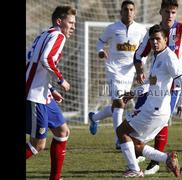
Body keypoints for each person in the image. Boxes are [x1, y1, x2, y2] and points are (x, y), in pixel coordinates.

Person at [133, 0, 182, 175]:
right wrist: (140, 69)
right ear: (161, 12)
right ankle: (140, 149)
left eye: (173, 12)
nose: (170, 15)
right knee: (139, 115)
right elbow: (138, 54)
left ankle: (155, 161)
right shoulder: (155, 33)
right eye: (167, 12)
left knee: (162, 121)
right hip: (154, 84)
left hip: (174, 88)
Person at [116, 24, 182, 178]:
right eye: (152, 39)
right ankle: (167, 158)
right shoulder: (158, 56)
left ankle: (135, 170)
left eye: (158, 39)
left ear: (165, 39)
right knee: (134, 144)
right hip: (154, 110)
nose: (154, 42)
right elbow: (152, 83)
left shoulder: (169, 57)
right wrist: (133, 93)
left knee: (121, 131)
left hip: (155, 111)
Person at [88, 0, 147, 150]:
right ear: (121, 12)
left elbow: (145, 50)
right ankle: (119, 139)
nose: (129, 12)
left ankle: (94, 117)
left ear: (135, 12)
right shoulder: (112, 28)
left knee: (118, 105)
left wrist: (140, 66)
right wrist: (100, 52)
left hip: (129, 72)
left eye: (131, 9)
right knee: (120, 104)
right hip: (114, 70)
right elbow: (100, 43)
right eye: (126, 9)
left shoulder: (141, 30)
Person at [26, 5, 76, 180]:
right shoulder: (58, 36)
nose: (73, 27)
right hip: (34, 96)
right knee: (38, 145)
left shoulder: (44, 34)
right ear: (59, 21)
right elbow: (46, 59)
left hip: (43, 93)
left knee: (63, 132)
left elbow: (33, 65)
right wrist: (61, 80)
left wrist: (51, 89)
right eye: (70, 23)